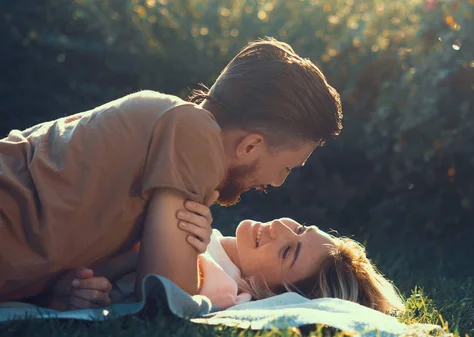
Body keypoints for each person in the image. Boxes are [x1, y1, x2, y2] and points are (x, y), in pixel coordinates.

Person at [0, 37, 343, 305]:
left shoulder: (173, 131)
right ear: (250, 146)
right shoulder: (194, 133)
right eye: (285, 167)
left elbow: (68, 244)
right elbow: (167, 296)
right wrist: (191, 259)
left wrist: (57, 292)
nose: (278, 182)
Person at [50, 216, 406, 315]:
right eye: (299, 228)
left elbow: (152, 277)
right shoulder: (215, 243)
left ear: (264, 291)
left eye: (287, 252)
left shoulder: (220, 285)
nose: (278, 229)